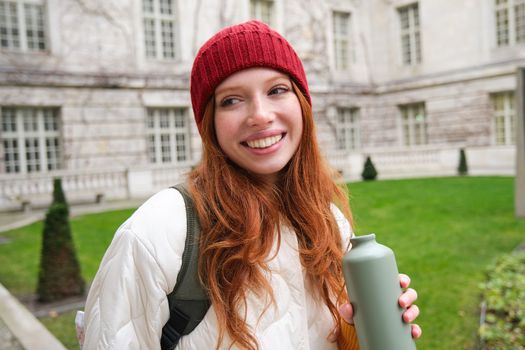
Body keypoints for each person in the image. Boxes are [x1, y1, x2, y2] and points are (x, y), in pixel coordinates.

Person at [80, 20, 421, 349]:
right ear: (209, 123)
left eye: (277, 90)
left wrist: (361, 330)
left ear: (301, 104)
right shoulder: (158, 231)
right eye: (231, 100)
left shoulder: (330, 220)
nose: (260, 114)